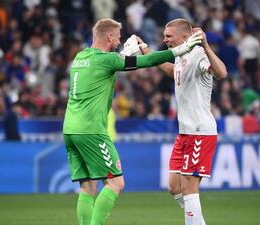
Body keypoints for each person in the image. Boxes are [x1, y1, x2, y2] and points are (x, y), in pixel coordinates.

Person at [62, 18, 203, 225]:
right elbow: (144, 62)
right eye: (118, 38)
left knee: (87, 186)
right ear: (109, 37)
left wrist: (125, 53)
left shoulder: (80, 57)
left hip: (70, 130)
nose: (119, 42)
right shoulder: (106, 60)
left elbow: (108, 66)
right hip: (91, 130)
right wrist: (181, 49)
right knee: (115, 183)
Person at [141, 19, 227, 225]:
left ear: (185, 37)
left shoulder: (197, 54)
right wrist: (145, 51)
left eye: (169, 36)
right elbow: (173, 71)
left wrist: (205, 46)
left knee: (189, 187)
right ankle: (197, 220)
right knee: (174, 187)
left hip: (200, 130)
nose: (165, 40)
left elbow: (222, 73)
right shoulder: (180, 56)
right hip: (185, 132)